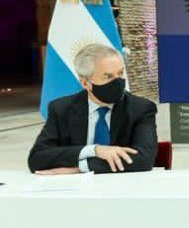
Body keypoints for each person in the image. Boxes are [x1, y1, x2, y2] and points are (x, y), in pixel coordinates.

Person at [28, 43, 157, 174]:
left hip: (124, 187)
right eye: (108, 76)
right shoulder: (62, 109)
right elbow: (37, 158)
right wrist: (95, 150)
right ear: (85, 83)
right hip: (76, 191)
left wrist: (81, 168)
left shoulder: (141, 109)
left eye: (120, 73)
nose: (118, 82)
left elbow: (144, 159)